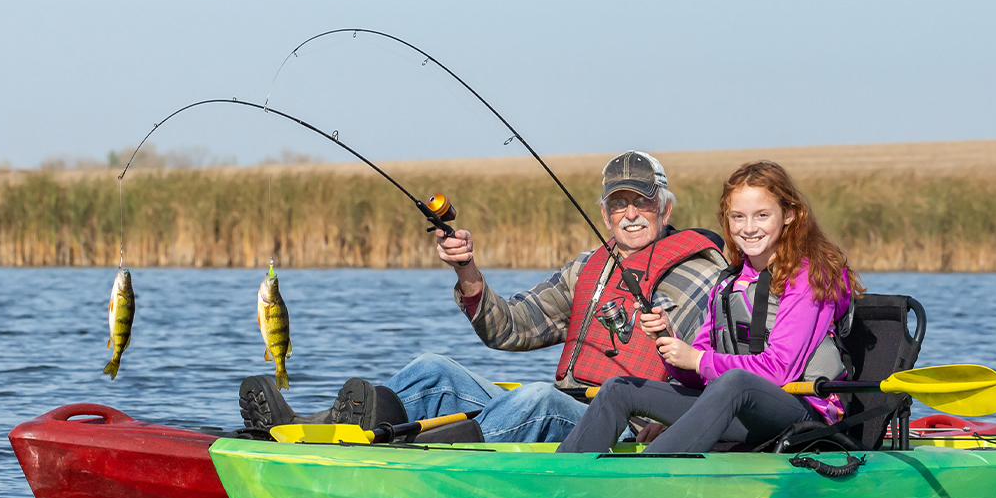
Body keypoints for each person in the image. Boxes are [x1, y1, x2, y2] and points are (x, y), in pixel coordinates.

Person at [241, 151, 728, 442]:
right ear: (604, 214)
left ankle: (427, 456)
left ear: (664, 208)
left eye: (642, 202)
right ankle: (313, 428)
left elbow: (722, 364)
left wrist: (681, 418)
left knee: (536, 399)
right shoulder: (590, 268)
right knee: (435, 368)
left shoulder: (704, 273)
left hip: (625, 425)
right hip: (570, 401)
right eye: (618, 204)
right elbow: (510, 327)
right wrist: (466, 270)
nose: (631, 215)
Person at [557, 160, 865, 453]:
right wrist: (671, 344)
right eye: (737, 217)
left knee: (735, 382)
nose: (748, 228)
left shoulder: (809, 278)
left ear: (788, 215)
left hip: (803, 414)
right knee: (619, 389)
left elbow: (778, 370)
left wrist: (698, 359)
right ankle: (561, 475)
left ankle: (645, 472)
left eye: (762, 215)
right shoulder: (728, 281)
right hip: (739, 405)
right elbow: (696, 378)